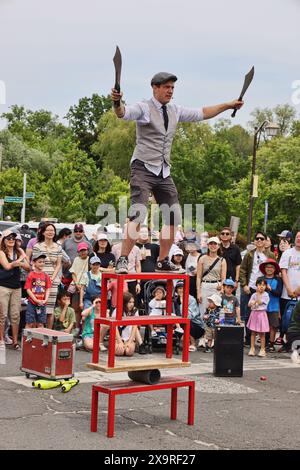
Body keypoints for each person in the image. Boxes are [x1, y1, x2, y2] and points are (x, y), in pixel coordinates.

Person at [111, 72, 243, 274]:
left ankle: (163, 261)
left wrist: (229, 105)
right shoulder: (144, 107)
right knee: (138, 212)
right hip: (143, 166)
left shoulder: (175, 110)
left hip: (163, 170)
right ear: (155, 88)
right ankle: (122, 259)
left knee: (173, 216)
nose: (170, 91)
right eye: (166, 87)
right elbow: (123, 113)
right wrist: (117, 102)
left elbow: (203, 113)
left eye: (172, 88)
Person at [239, 231, 275, 345]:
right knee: (248, 313)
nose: (259, 240)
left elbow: (275, 270)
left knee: (264, 313)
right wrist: (244, 284)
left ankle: (265, 340)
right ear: (254, 241)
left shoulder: (270, 255)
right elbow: (243, 270)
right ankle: (249, 339)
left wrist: (270, 285)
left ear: (265, 241)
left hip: (264, 288)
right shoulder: (249, 254)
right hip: (250, 287)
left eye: (262, 238)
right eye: (257, 239)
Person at [0, 230, 30, 348]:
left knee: (15, 315)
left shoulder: (19, 251)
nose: (11, 240)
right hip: (3, 286)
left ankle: (15, 342)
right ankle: (1, 340)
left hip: (16, 287)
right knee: (2, 315)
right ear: (4, 240)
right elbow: (7, 267)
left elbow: (28, 267)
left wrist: (20, 262)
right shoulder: (1, 252)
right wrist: (20, 260)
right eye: (8, 238)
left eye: (13, 238)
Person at [32, 222, 63, 328]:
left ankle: (49, 334)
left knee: (50, 308)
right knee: (39, 306)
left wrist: (52, 278)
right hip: (39, 280)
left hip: (53, 280)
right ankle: (39, 334)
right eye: (48, 230)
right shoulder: (37, 246)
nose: (51, 232)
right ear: (43, 232)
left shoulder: (58, 247)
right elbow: (34, 263)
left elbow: (59, 264)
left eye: (52, 230)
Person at [278, 231, 300, 346]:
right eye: (297, 237)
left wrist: (298, 290)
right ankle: (287, 342)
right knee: (287, 319)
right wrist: (289, 288)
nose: (299, 239)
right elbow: (283, 271)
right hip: (287, 293)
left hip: (298, 293)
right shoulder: (287, 253)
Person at [196, 237, 227, 315]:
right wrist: (198, 292)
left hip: (216, 286)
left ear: (218, 245)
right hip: (205, 285)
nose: (213, 245)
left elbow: (223, 277)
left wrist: (222, 287)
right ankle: (204, 327)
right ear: (208, 245)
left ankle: (214, 327)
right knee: (203, 310)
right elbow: (199, 277)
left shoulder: (222, 260)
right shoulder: (202, 259)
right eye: (211, 243)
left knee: (216, 311)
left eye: (215, 243)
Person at [258, 259, 283, 351]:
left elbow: (279, 293)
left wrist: (270, 289)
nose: (269, 269)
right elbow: (257, 291)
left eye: (271, 267)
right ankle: (264, 343)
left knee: (273, 325)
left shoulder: (278, 280)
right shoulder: (260, 279)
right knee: (263, 325)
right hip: (262, 306)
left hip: (274, 305)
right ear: (264, 268)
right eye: (267, 267)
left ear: (275, 269)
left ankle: (271, 344)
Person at [174, 281, 205, 352]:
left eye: (182, 288)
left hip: (196, 326)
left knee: (186, 322)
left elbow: (188, 316)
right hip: (180, 322)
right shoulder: (175, 300)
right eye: (179, 288)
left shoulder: (191, 299)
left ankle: (193, 343)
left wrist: (182, 302)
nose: (180, 290)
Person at [24, 253, 52, 328]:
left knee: (41, 323)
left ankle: (40, 339)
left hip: (42, 303)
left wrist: (45, 299)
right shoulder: (31, 275)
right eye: (40, 262)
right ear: (34, 263)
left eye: (43, 262)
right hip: (32, 303)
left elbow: (48, 288)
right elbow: (28, 289)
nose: (42, 264)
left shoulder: (46, 276)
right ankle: (27, 339)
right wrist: (35, 300)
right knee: (30, 323)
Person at [112, 292, 143, 357]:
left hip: (129, 337)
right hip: (118, 337)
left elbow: (135, 327)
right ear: (124, 302)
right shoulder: (117, 310)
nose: (132, 304)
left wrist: (130, 341)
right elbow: (114, 327)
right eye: (129, 302)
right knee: (120, 351)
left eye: (133, 302)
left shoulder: (135, 311)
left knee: (129, 352)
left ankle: (138, 344)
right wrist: (119, 341)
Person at [69, 241, 90, 328]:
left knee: (86, 309)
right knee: (75, 309)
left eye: (84, 250)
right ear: (78, 252)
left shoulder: (90, 259)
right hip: (77, 285)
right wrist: (77, 283)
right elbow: (73, 272)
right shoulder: (76, 259)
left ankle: (85, 329)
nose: (83, 252)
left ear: (88, 250)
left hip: (87, 286)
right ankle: (76, 328)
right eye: (81, 250)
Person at [247, 278, 270, 357]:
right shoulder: (253, 295)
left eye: (263, 285)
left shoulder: (266, 295)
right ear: (256, 285)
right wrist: (252, 302)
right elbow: (249, 304)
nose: (261, 287)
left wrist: (257, 297)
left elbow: (260, 302)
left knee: (262, 333)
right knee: (253, 332)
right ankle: (252, 348)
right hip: (254, 314)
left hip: (261, 314)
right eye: (259, 285)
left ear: (266, 286)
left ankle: (262, 349)